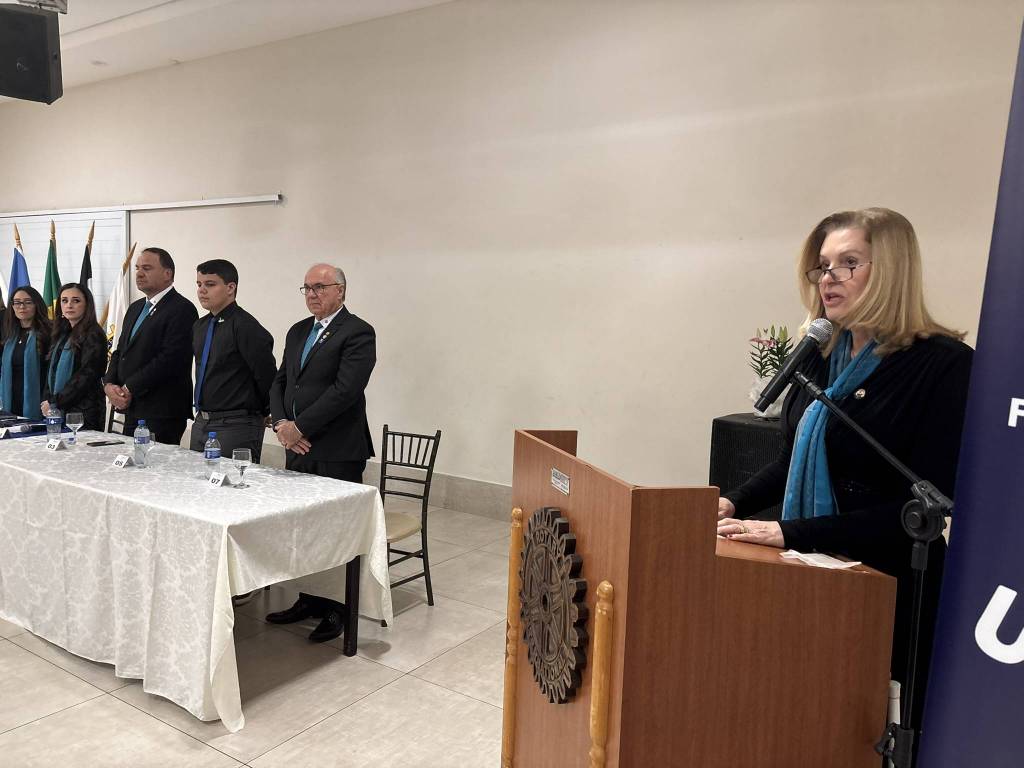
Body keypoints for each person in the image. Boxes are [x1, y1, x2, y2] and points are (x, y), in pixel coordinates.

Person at [715, 207, 972, 732]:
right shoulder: (820, 353)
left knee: (869, 730)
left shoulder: (943, 364)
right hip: (811, 569)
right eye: (822, 265)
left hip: (892, 582)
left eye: (848, 263)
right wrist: (733, 501)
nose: (828, 278)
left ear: (892, 269)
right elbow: (792, 458)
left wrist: (791, 531)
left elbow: (921, 501)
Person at [265, 263, 377, 642]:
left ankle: (337, 607)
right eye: (307, 288)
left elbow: (345, 391)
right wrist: (282, 424)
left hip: (336, 448)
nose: (312, 294)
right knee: (303, 527)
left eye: (320, 287)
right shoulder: (298, 330)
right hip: (297, 446)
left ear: (340, 290)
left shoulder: (358, 332)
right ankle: (308, 598)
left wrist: (301, 427)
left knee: (335, 530)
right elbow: (280, 381)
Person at [104, 247, 198, 444]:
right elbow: (120, 350)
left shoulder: (182, 309)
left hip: (162, 411)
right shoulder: (135, 308)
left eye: (146, 268)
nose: (139, 273)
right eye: (137, 268)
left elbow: (170, 359)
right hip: (133, 407)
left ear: (167, 274)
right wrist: (109, 384)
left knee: (154, 463)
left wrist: (129, 387)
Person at [190, 259, 276, 461]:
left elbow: (266, 374)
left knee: (230, 479)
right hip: (202, 421)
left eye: (210, 284)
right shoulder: (200, 326)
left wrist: (265, 410)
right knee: (196, 477)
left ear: (230, 288)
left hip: (236, 423)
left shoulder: (245, 326)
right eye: (199, 284)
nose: (202, 290)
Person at [40, 283, 107, 430]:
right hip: (59, 408)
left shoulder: (94, 334)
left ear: (87, 305)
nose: (69, 305)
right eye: (64, 301)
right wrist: (48, 400)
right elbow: (51, 372)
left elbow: (87, 375)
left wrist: (55, 402)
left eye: (76, 301)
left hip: (84, 411)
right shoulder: (62, 333)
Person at [0, 286, 51, 420]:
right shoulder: (9, 335)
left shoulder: (49, 333)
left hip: (39, 402)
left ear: (36, 304)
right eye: (17, 302)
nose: (22, 307)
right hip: (12, 401)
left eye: (28, 302)